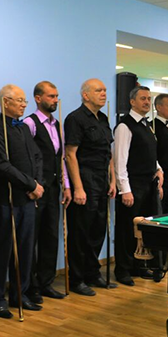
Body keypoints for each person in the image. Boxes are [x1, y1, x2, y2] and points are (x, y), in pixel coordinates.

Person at [0, 85, 44, 318]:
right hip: (6, 200)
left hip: (28, 200)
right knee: (3, 250)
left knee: (26, 250)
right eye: (19, 100)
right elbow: (2, 166)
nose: (23, 104)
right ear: (5, 102)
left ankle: (20, 294)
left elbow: (37, 156)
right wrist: (31, 185)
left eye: (24, 101)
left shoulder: (23, 128)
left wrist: (38, 184)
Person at [64, 79, 116, 296]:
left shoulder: (103, 118)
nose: (103, 94)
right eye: (98, 90)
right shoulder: (75, 119)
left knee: (98, 230)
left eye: (104, 90)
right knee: (80, 232)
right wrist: (78, 187)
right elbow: (70, 154)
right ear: (85, 95)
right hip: (85, 180)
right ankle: (76, 279)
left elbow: (108, 153)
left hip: (102, 180)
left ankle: (92, 273)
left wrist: (113, 180)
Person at [23, 81, 71, 302]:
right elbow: (25, 158)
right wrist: (32, 185)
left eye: (56, 96)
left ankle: (46, 283)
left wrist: (66, 185)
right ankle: (31, 286)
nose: (55, 100)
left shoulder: (57, 124)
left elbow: (61, 158)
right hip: (36, 190)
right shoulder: (30, 123)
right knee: (32, 238)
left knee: (50, 236)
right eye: (51, 96)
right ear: (38, 98)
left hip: (54, 189)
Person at [114, 86, 163, 286]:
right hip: (132, 184)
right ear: (132, 102)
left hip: (148, 183)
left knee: (142, 229)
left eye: (149, 99)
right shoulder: (124, 126)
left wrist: (158, 169)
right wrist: (125, 190)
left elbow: (150, 153)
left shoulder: (146, 125)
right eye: (143, 98)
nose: (147, 102)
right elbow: (120, 161)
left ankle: (138, 265)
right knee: (127, 228)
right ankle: (123, 269)